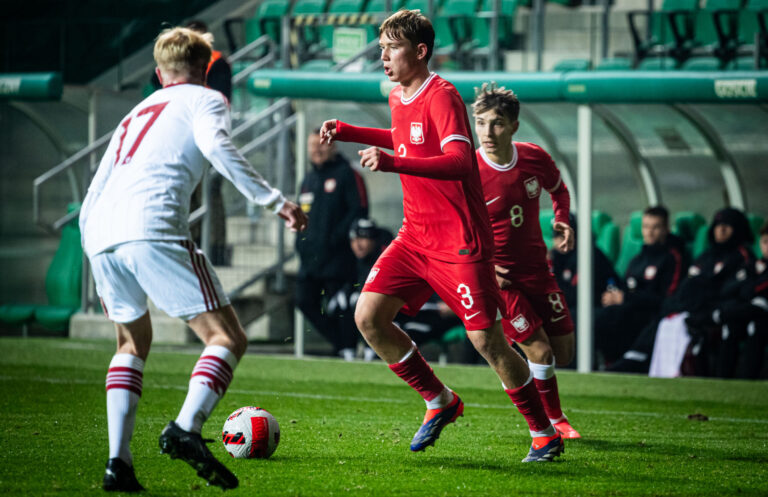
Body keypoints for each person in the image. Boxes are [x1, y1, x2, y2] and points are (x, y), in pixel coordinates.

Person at [319, 10, 563, 462]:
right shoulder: (398, 95)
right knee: (369, 317)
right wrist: (349, 132)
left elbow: (458, 162)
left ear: (420, 51)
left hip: (460, 243)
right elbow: (404, 137)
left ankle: (544, 432)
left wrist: (392, 163)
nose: (383, 55)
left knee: (486, 341)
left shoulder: (444, 96)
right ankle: (440, 400)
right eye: (382, 46)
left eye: (392, 47)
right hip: (415, 237)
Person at [79, 27, 307, 492]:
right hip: (152, 226)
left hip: (99, 232)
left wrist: (94, 251)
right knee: (225, 337)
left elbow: (94, 188)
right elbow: (218, 147)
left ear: (160, 73)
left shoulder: (135, 111)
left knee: (131, 342)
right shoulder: (207, 100)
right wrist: (274, 200)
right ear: (205, 70)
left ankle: (117, 464)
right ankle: (185, 428)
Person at [472, 82, 580, 439]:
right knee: (540, 350)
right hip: (501, 279)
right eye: (482, 122)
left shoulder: (533, 156)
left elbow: (558, 189)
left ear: (514, 126)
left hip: (538, 270)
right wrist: (483, 269)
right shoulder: (468, 171)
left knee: (563, 352)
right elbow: (452, 225)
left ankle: (535, 398)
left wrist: (561, 218)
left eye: (497, 123)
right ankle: (553, 422)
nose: (488, 132)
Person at [612, 207, 754, 375]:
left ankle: (635, 361)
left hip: (710, 309)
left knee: (669, 318)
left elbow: (732, 289)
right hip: (683, 307)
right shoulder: (706, 256)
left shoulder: (742, 256)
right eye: (717, 225)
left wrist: (629, 297)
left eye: (727, 226)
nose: (721, 230)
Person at [295, 130, 368, 359]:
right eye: (312, 145)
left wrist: (336, 238)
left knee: (341, 306)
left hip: (338, 258)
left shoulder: (347, 174)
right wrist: (300, 242)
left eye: (321, 145)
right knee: (303, 301)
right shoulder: (308, 179)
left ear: (333, 147)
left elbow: (359, 210)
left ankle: (347, 349)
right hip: (310, 259)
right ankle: (340, 343)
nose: (316, 150)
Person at [594, 206, 686, 366]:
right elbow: (625, 286)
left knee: (605, 320)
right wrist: (614, 296)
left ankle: (613, 365)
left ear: (666, 229)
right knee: (594, 316)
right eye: (646, 227)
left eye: (655, 227)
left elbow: (668, 300)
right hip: (627, 311)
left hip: (649, 317)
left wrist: (626, 297)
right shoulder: (637, 259)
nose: (649, 232)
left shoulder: (673, 258)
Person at [550, 213, 621, 324]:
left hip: (596, 309)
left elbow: (579, 295)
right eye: (556, 236)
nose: (559, 240)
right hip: (572, 308)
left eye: (564, 235)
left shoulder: (589, 255)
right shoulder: (556, 257)